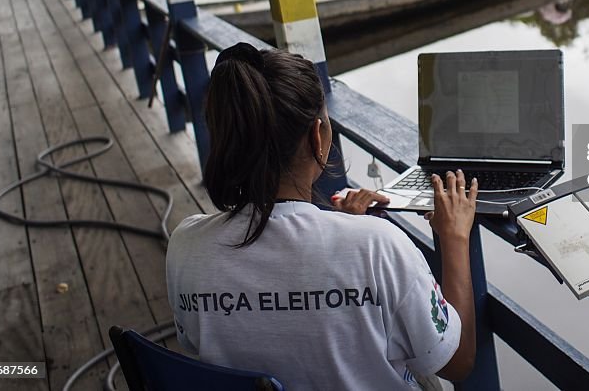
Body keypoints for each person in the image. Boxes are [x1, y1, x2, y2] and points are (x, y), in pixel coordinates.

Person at [165, 43, 479, 389]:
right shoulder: (378, 246)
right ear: (318, 137)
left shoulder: (185, 245)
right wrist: (454, 238)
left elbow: (196, 342)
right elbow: (457, 362)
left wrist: (348, 233)